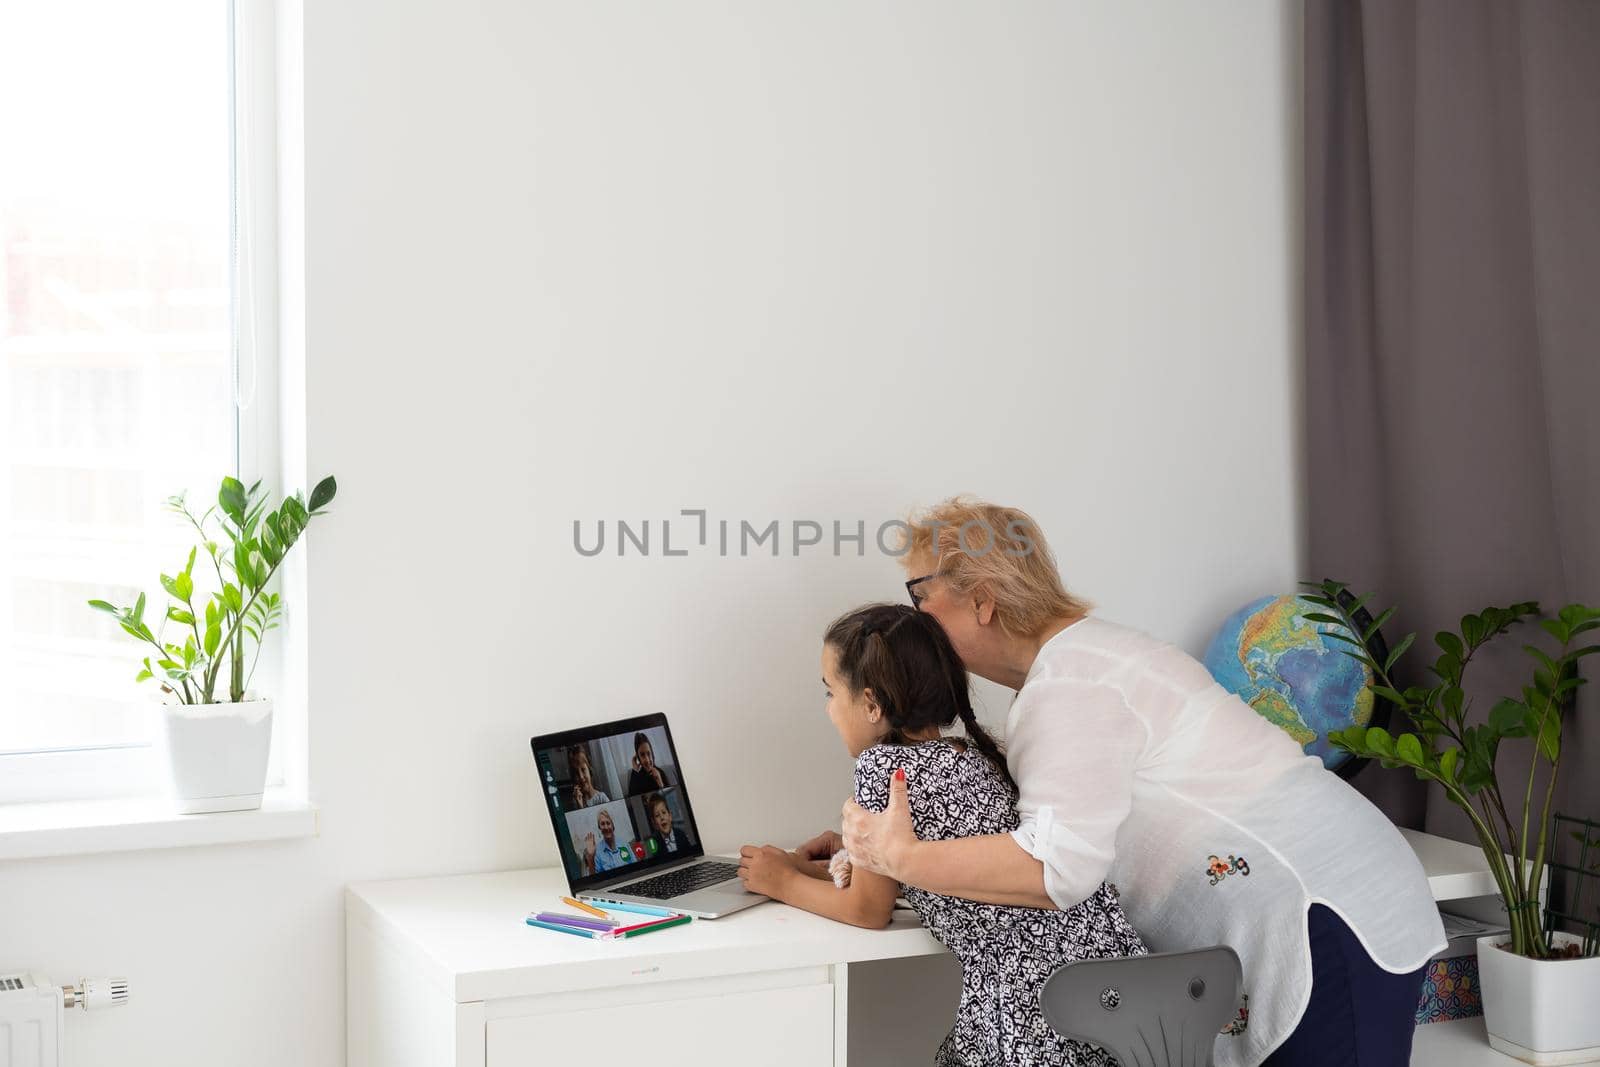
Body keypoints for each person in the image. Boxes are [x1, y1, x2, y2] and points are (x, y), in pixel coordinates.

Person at [812, 498, 1445, 1067]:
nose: (912, 617)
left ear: (982, 598)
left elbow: (1053, 871)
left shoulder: (1071, 688)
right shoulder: (1081, 664)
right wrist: (861, 854)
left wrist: (901, 857)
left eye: (920, 593)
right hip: (1330, 894)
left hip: (1320, 912)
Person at [739, 603, 1146, 1067]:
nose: (830, 709)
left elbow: (869, 909)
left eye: (830, 693)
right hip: (1105, 976)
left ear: (871, 704)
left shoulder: (882, 771)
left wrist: (781, 882)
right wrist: (823, 861)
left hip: (1031, 1008)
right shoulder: (969, 756)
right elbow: (913, 867)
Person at [582, 809, 634, 875]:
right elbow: (595, 879)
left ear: (612, 825)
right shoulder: (597, 852)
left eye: (608, 823)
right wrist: (591, 858)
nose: (606, 827)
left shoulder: (624, 844)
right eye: (602, 824)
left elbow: (635, 866)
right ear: (599, 828)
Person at [567, 744, 610, 808]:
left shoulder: (601, 798)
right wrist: (580, 805)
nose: (581, 777)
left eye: (583, 770)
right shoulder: (575, 802)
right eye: (576, 773)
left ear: (589, 771)